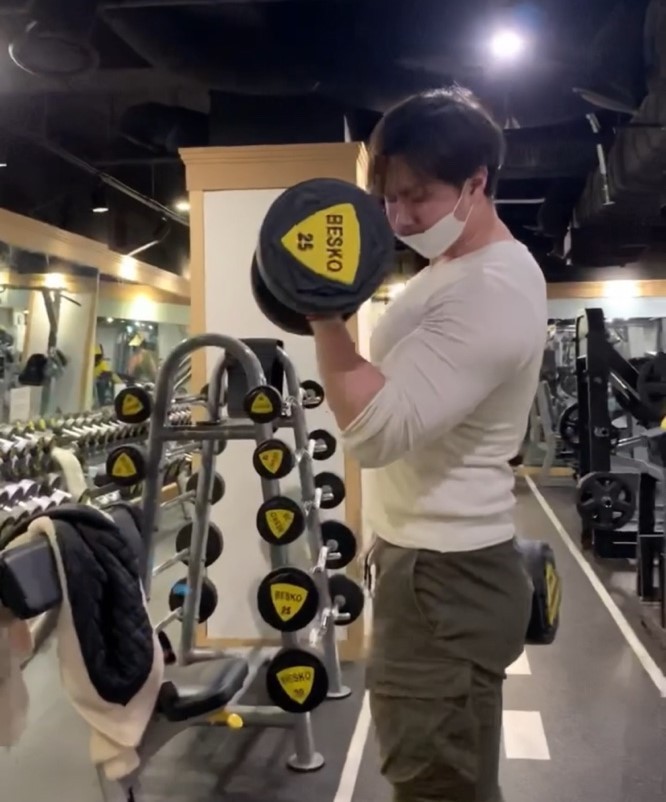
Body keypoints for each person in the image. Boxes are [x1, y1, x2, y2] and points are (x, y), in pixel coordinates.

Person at [307, 87, 548, 802]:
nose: (401, 216)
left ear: (476, 183)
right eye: (389, 197)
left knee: (434, 785)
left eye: (418, 196)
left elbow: (377, 434)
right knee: (445, 777)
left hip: (445, 579)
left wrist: (324, 318)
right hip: (429, 566)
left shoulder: (493, 287)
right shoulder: (451, 271)